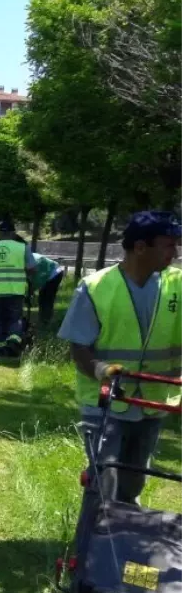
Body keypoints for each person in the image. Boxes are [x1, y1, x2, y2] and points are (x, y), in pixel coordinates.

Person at [58, 210, 182, 505]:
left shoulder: (177, 284)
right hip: (105, 400)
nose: (175, 252)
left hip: (154, 399)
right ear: (140, 247)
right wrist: (101, 369)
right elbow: (78, 347)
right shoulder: (96, 287)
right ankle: (94, 540)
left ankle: (126, 530)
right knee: (104, 475)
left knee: (135, 475)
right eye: (167, 244)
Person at [0, 219, 36, 356]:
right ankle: (13, 341)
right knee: (14, 318)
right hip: (15, 290)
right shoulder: (22, 248)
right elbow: (32, 268)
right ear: (13, 233)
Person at [31, 250, 66, 327]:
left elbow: (37, 279)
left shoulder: (33, 262)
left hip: (55, 274)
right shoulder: (29, 257)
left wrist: (31, 291)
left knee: (47, 298)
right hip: (48, 273)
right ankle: (43, 319)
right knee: (42, 297)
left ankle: (45, 321)